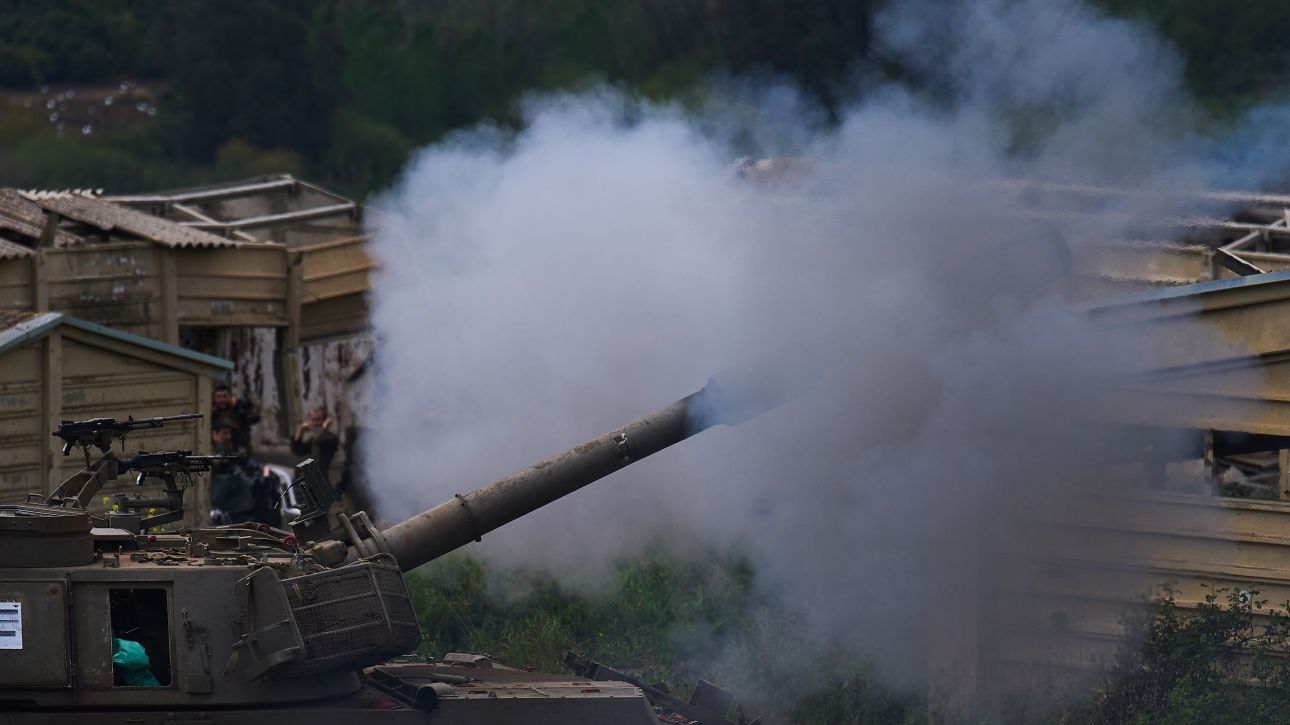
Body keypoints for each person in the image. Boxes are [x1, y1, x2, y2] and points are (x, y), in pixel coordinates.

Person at [212, 382, 260, 457]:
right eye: (219, 397)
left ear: (230, 396)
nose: (222, 400)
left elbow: (254, 418)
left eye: (225, 396)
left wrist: (248, 409)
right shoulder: (214, 413)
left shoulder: (240, 408)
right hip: (221, 454)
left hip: (241, 453)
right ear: (214, 398)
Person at [290, 405, 340, 474]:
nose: (314, 424)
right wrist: (300, 431)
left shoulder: (330, 438)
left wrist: (324, 428)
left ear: (325, 421)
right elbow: (297, 450)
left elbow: (320, 441)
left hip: (321, 478)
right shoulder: (311, 439)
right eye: (312, 420)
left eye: (317, 420)